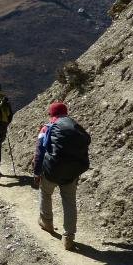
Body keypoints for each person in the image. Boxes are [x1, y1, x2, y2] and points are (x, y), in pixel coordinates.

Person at [33, 101, 91, 251]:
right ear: (66, 112)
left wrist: (37, 172)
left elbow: (39, 151)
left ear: (52, 114)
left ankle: (47, 222)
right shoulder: (75, 127)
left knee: (45, 192)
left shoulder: (47, 127)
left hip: (51, 170)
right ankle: (68, 237)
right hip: (71, 172)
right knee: (69, 202)